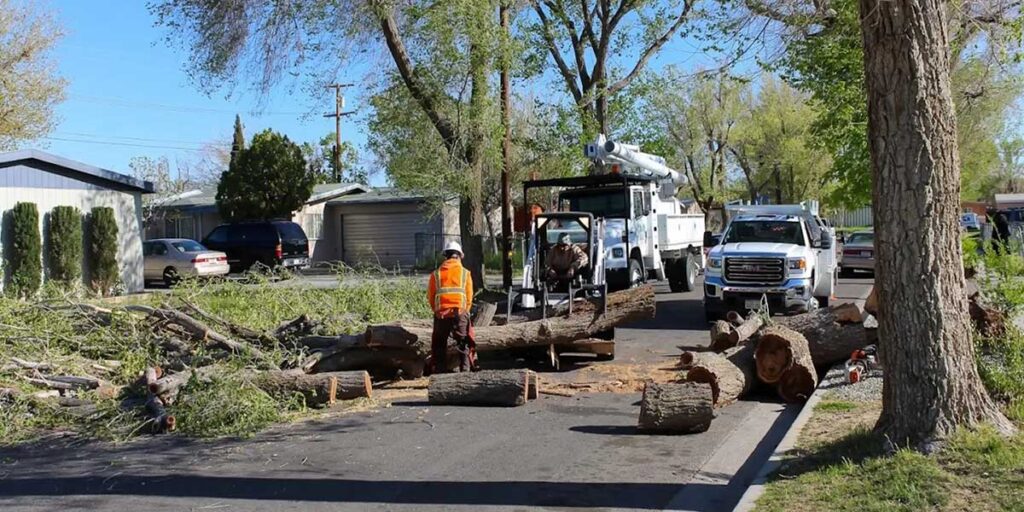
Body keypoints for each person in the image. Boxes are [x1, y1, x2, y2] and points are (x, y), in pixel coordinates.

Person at [427, 241, 476, 374]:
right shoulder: (465, 273)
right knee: (463, 343)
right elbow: (469, 296)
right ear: (459, 256)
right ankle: (465, 372)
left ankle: (440, 373)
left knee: (439, 345)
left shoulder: (435, 274)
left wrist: (437, 310)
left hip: (441, 313)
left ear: (446, 256)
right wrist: (465, 311)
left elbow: (431, 297)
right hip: (460, 312)